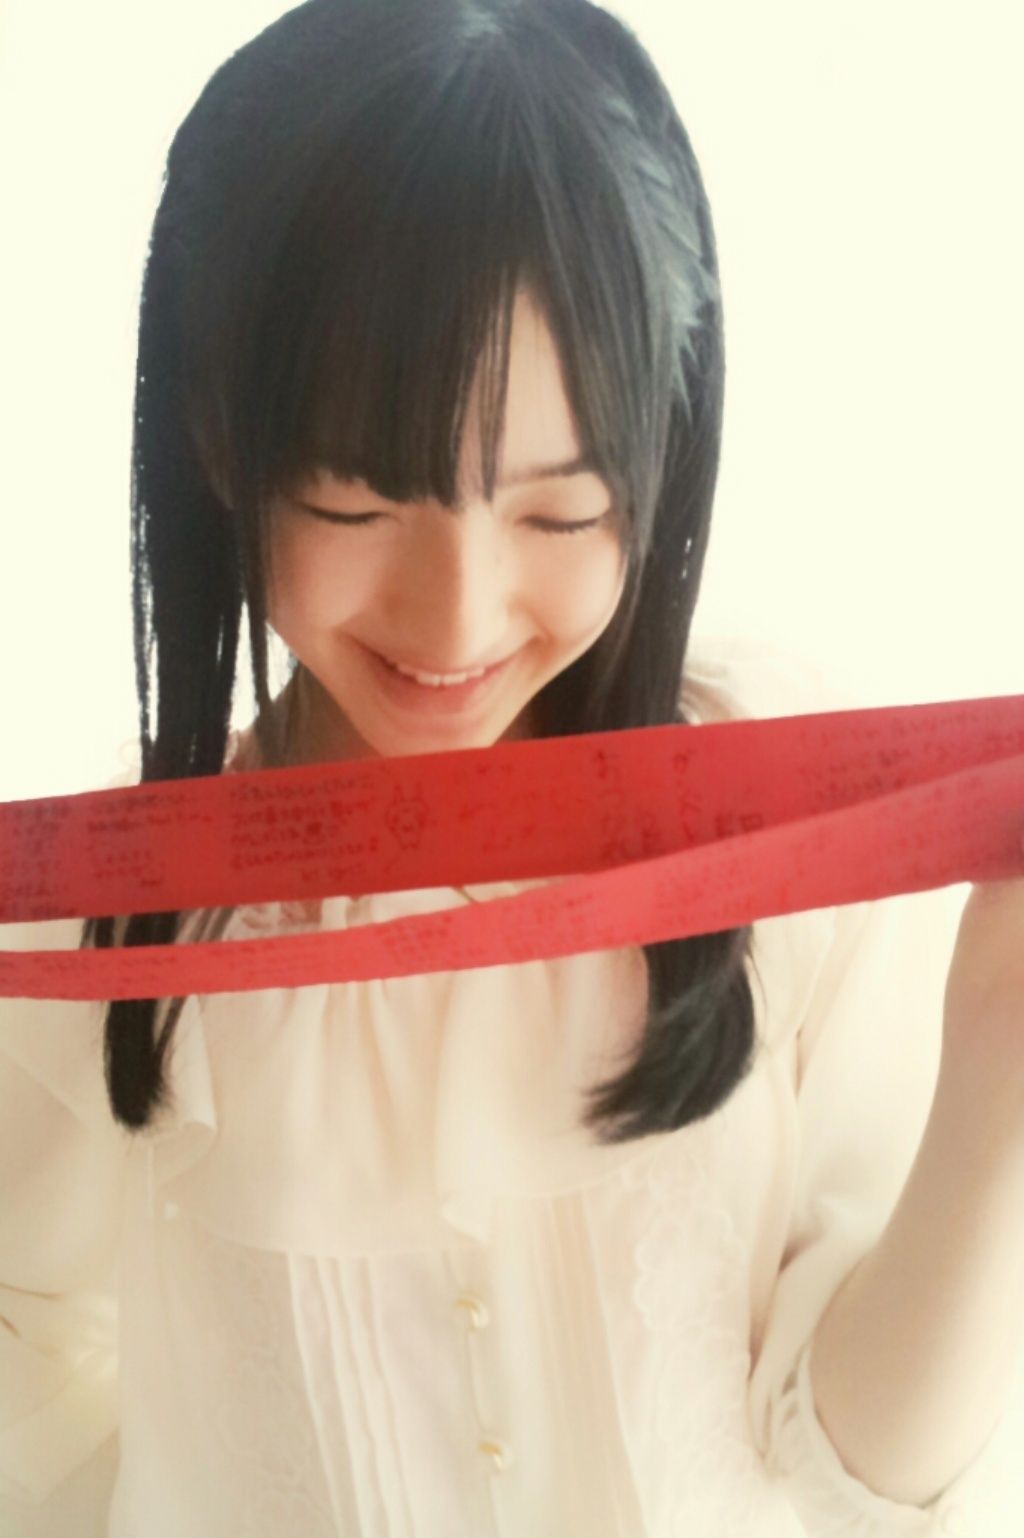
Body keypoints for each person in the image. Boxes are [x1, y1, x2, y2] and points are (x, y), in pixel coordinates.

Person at [2, 2, 1023, 1534]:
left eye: (557, 510)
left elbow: (851, 1470)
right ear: (218, 437)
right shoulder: (101, 930)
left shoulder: (782, 812)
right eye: (358, 501)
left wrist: (1004, 1047)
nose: (455, 617)